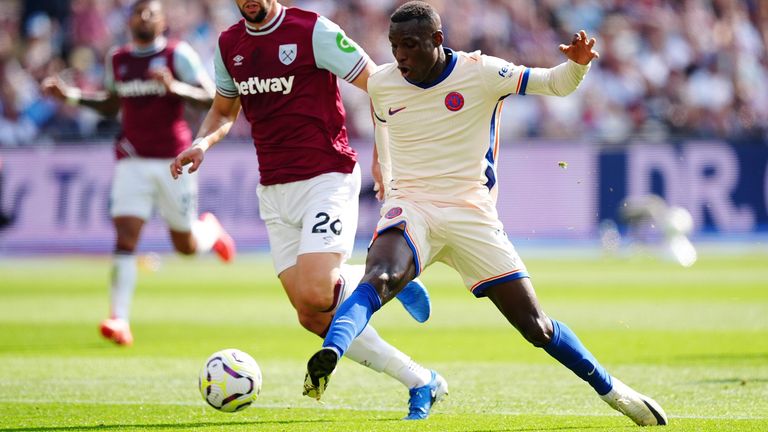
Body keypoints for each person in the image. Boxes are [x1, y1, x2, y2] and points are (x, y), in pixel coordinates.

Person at [304, 1, 668, 427]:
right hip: (413, 206)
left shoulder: (480, 72)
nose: (400, 55)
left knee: (536, 327)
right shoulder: (385, 82)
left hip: (470, 212)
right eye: (394, 46)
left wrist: (579, 66)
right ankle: (333, 348)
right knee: (378, 276)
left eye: (410, 45)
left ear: (437, 41)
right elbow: (383, 124)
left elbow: (554, 83)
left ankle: (618, 395)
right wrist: (385, 174)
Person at [170, 0, 443, 420]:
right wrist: (201, 143)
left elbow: (379, 85)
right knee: (311, 316)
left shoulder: (313, 31)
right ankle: (420, 379)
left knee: (318, 291)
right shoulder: (229, 45)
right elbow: (224, 111)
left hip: (326, 177)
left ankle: (378, 278)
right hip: (274, 190)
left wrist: (380, 156)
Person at [41, 0, 236, 346]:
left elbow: (212, 99)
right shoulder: (118, 59)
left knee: (186, 246)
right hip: (131, 158)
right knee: (126, 237)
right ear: (129, 20)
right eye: (137, 13)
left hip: (173, 161)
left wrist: (175, 88)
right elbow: (111, 103)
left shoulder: (179, 54)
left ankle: (209, 229)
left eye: (150, 13)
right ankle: (119, 318)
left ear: (162, 22)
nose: (143, 17)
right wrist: (69, 96)